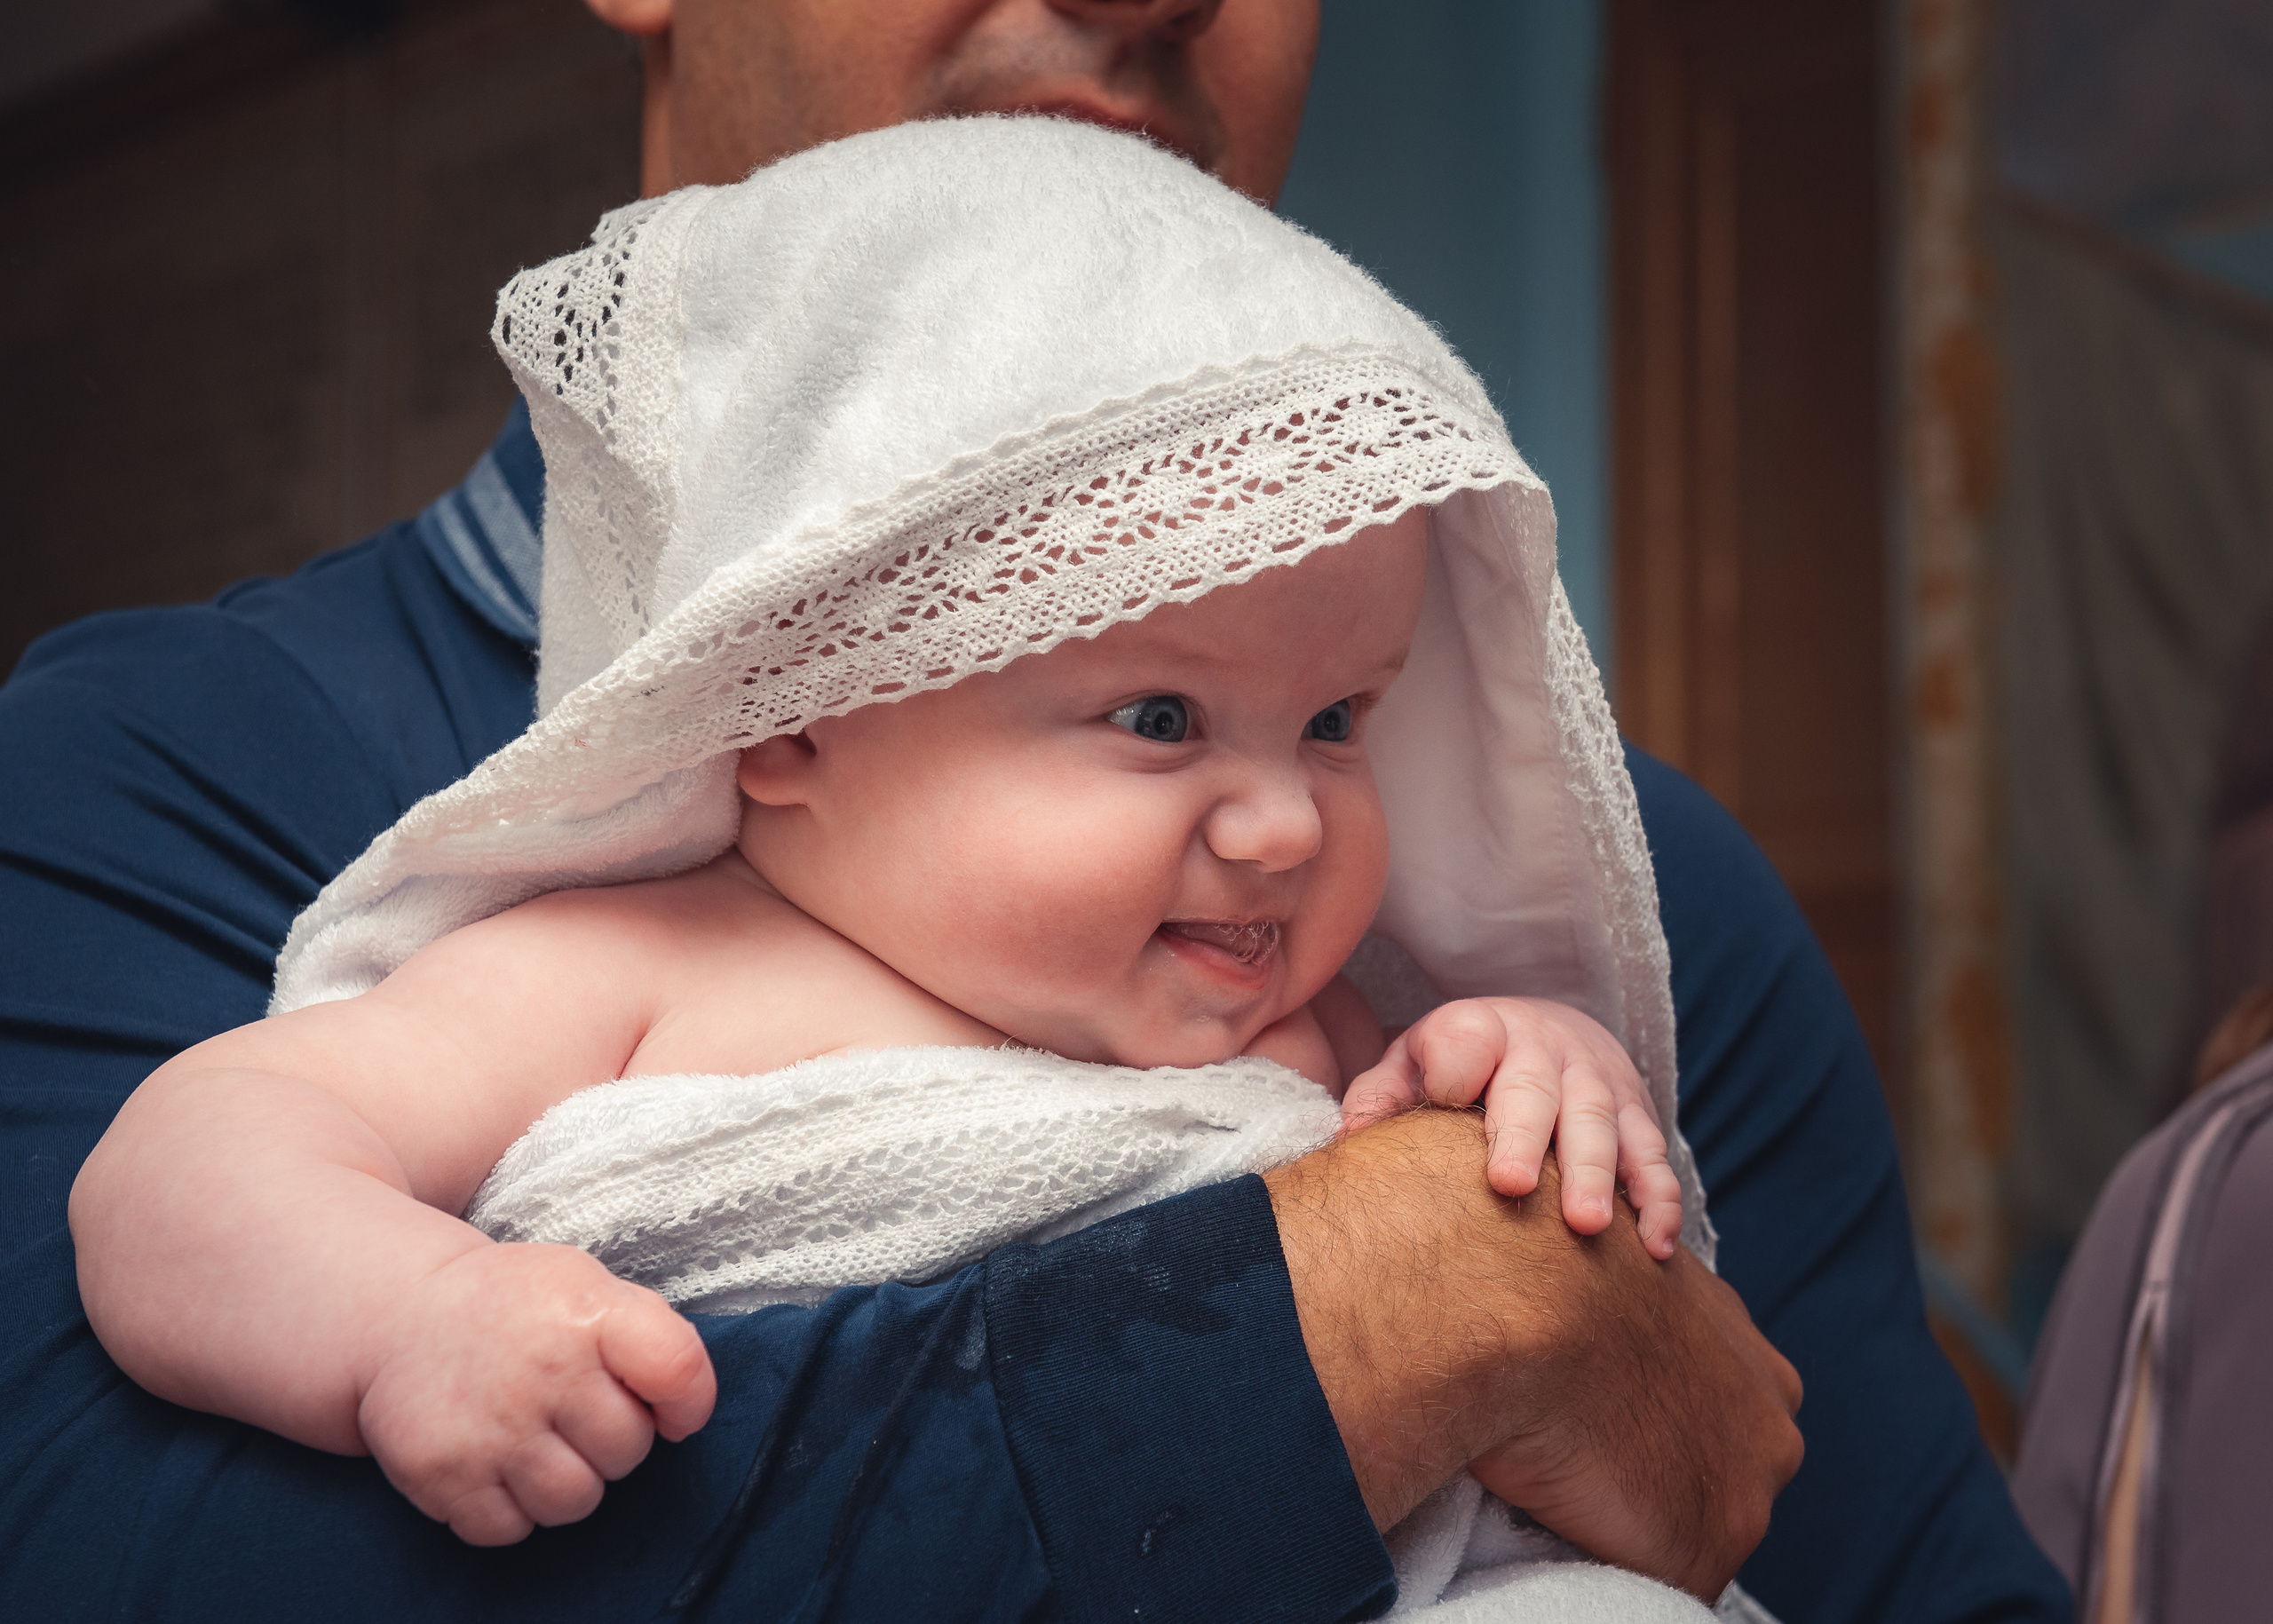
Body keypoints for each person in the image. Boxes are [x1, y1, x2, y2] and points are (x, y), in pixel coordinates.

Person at [0, 4, 2068, 1620]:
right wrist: (417, 1319)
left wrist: (1531, 1078)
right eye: (1154, 715)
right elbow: (179, 1261)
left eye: (1339, 721)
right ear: (784, 712)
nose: (1281, 828)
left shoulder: (1518, 925)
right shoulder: (377, 863)